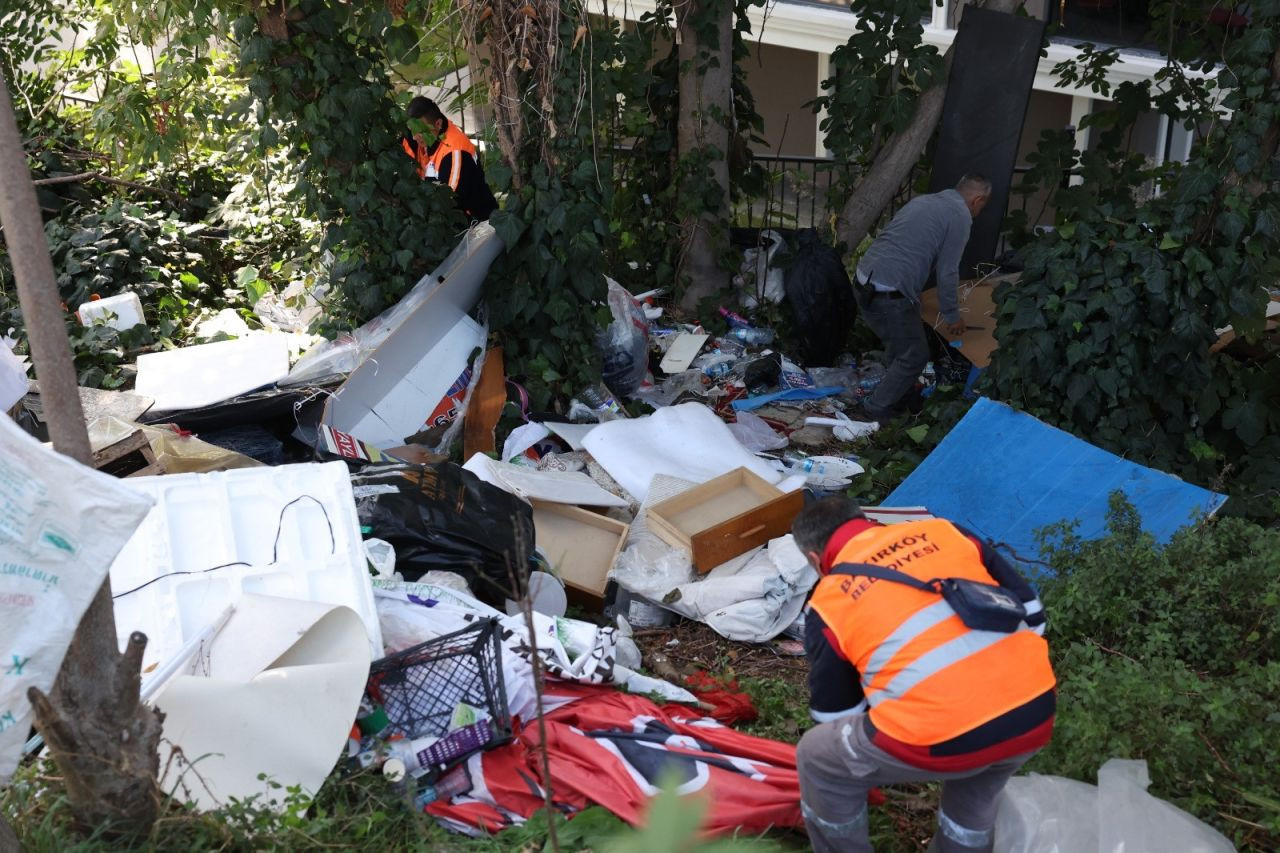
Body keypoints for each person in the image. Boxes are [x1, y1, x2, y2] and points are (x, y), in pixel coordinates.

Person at [791, 496, 1055, 853]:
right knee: (977, 790)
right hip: (1034, 711)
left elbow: (834, 717)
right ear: (866, 520)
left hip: (937, 737)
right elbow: (1034, 616)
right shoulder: (947, 531)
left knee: (818, 755)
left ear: (813, 558)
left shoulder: (829, 600)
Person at [853, 174, 992, 421]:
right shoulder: (959, 216)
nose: (980, 212)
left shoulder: (924, 202)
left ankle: (901, 400)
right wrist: (952, 316)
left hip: (864, 281)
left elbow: (907, 246)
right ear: (977, 199)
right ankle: (873, 411)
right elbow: (948, 271)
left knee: (899, 347)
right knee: (914, 355)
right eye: (983, 206)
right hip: (889, 293)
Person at [402, 96, 498, 222]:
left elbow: (447, 205)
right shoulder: (418, 134)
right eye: (412, 130)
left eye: (420, 132)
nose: (414, 137)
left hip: (475, 226)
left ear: (438, 124)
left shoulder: (455, 154)